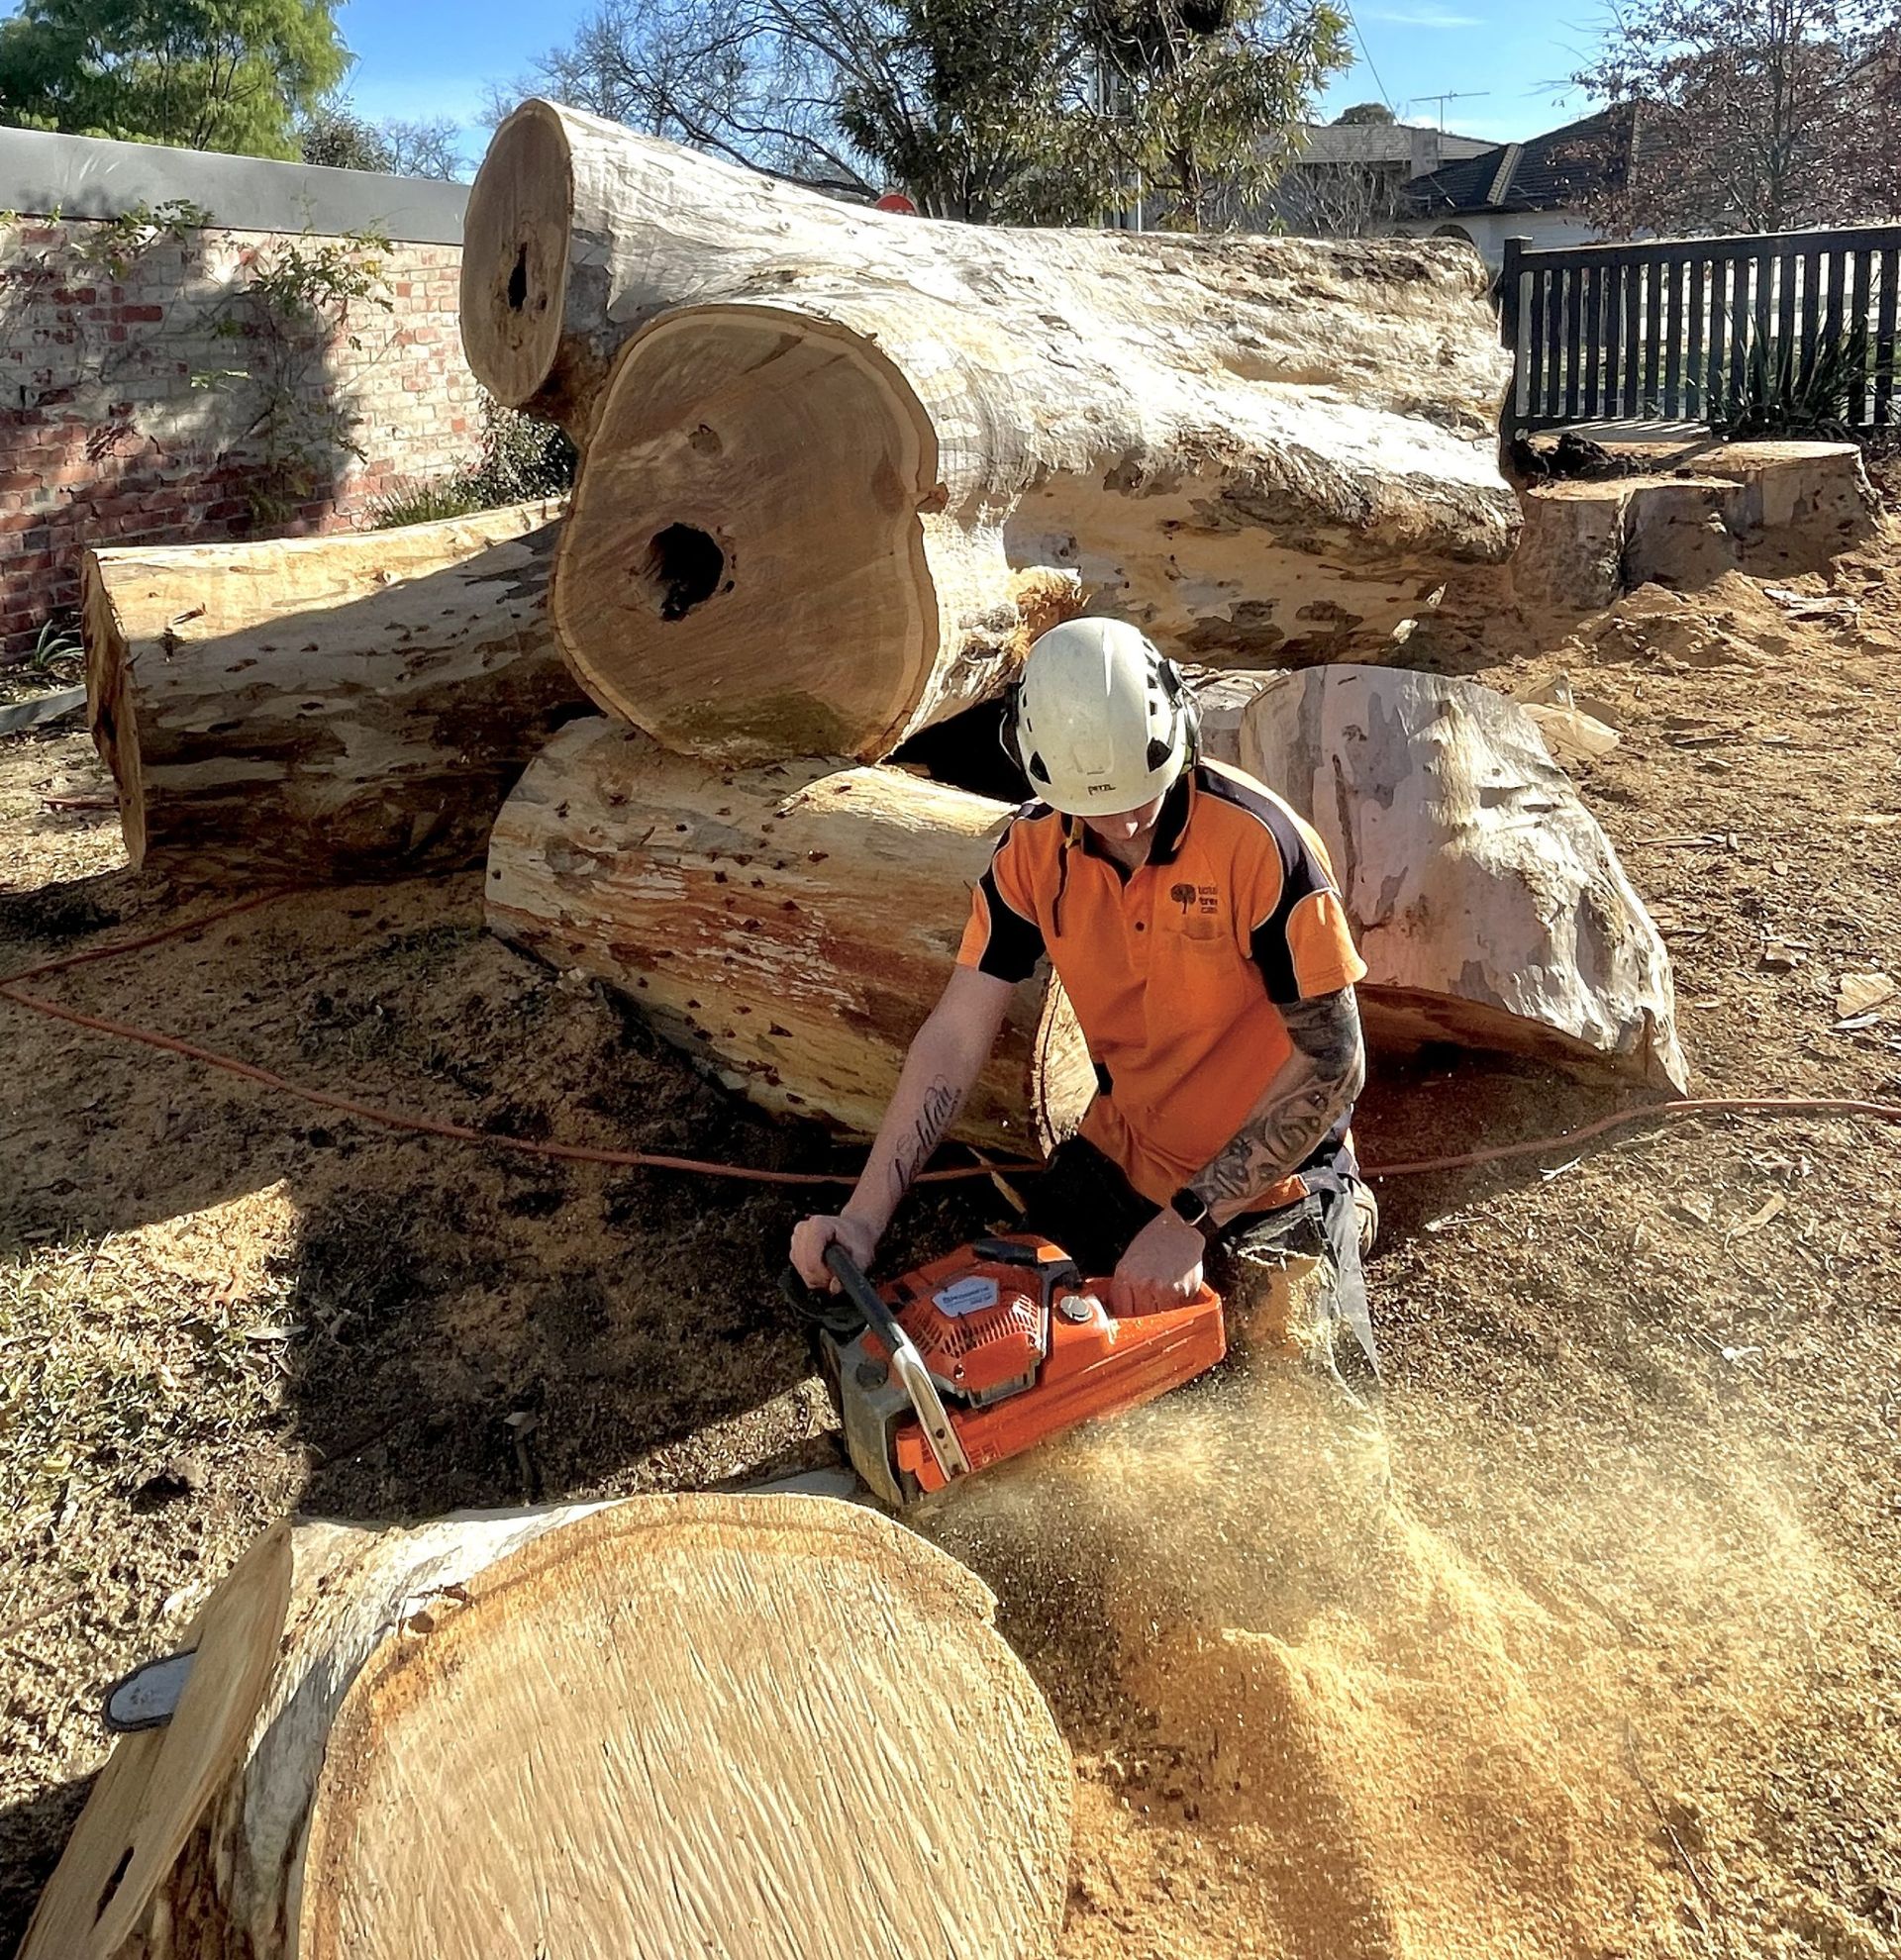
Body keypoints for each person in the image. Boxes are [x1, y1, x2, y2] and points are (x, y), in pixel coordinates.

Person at [790, 617, 1377, 1371]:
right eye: (1094, 805)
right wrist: (864, 1218)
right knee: (996, 1350)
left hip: (1271, 1175)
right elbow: (955, 1038)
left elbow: (1334, 1064)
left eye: (1142, 791)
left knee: (1298, 1386)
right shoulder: (1031, 853)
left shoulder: (1261, 846)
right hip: (1124, 1151)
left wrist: (1189, 1219)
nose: (1127, 820)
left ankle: (1341, 1217)